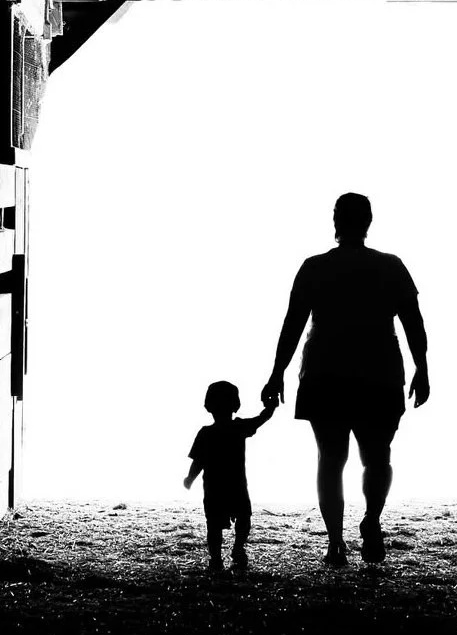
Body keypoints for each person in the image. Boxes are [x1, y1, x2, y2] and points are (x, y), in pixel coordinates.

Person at [262, 193, 429, 567]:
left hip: (325, 372)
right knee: (377, 457)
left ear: (335, 221)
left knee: (330, 459)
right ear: (369, 222)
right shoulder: (391, 267)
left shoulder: (315, 267)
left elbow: (293, 324)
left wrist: (277, 372)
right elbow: (412, 320)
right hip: (380, 373)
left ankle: (336, 542)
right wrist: (422, 366)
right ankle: (371, 519)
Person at [184, 380, 277, 571]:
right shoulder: (239, 427)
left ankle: (216, 558)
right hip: (236, 486)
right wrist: (271, 406)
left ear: (208, 406)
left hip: (214, 488)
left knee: (214, 526)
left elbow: (198, 461)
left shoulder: (206, 433)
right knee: (243, 518)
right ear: (236, 404)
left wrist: (189, 479)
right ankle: (237, 548)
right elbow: (262, 418)